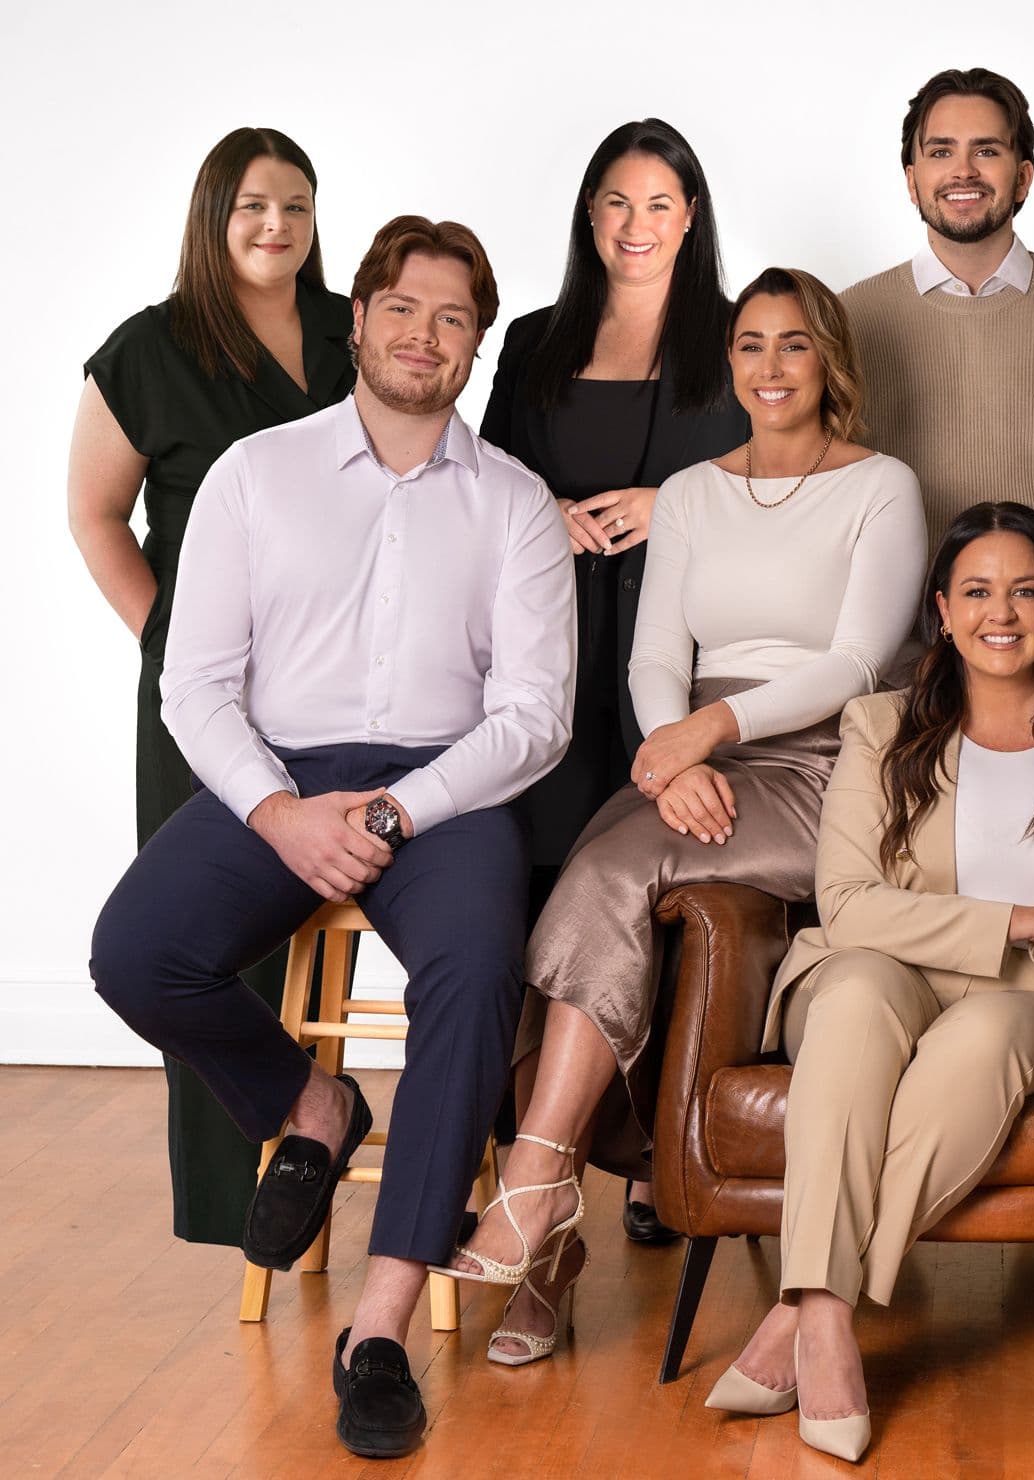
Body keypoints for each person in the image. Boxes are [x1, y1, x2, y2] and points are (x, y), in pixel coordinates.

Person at [89, 216, 577, 1459]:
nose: (425, 335)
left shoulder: (516, 503)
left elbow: (535, 718)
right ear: (353, 320)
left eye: (454, 317)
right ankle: (312, 1106)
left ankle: (379, 1327)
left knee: (473, 979)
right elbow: (193, 681)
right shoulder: (257, 473)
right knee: (135, 952)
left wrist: (401, 810)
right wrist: (276, 810)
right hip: (283, 777)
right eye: (402, 309)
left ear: (476, 344)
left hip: (447, 789)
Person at [442, 269, 927, 1368]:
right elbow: (656, 654)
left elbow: (857, 662)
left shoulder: (883, 487)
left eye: (792, 345)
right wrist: (669, 758)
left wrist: (710, 737)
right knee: (568, 883)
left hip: (825, 764)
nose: (767, 366)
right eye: (749, 345)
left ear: (829, 361)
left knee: (603, 877)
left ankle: (533, 1187)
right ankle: (550, 1230)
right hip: (689, 757)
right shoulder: (697, 490)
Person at [704, 502, 1034, 1462]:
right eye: (976, 591)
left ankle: (810, 1311)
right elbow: (845, 903)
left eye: (1024, 589)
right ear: (941, 609)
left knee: (976, 1044)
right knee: (851, 998)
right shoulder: (882, 725)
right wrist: (1021, 918)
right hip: (883, 970)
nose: (1001, 612)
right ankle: (827, 1323)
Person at [68, 127, 358, 1248]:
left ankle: (326, 1147)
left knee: (323, 905)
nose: (275, 225)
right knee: (212, 932)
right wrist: (170, 642)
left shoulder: (350, 331)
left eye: (295, 204)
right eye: (251, 207)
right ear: (213, 218)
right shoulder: (148, 350)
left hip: (344, 686)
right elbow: (96, 513)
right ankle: (243, 1190)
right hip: (203, 698)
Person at [480, 117, 747, 1243]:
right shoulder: (538, 339)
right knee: (547, 886)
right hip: (554, 643)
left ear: (693, 217)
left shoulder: (736, 335)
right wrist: (545, 511)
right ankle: (538, 1163)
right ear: (590, 217)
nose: (636, 227)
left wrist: (667, 505)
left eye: (659, 204)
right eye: (616, 204)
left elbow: (777, 470)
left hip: (687, 649)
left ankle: (651, 1159)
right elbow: (480, 480)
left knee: (667, 891)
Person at [841, 67, 1034, 545]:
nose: (963, 170)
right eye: (941, 151)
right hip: (896, 617)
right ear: (912, 180)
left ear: (1024, 177)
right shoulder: (850, 319)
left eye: (986, 151)